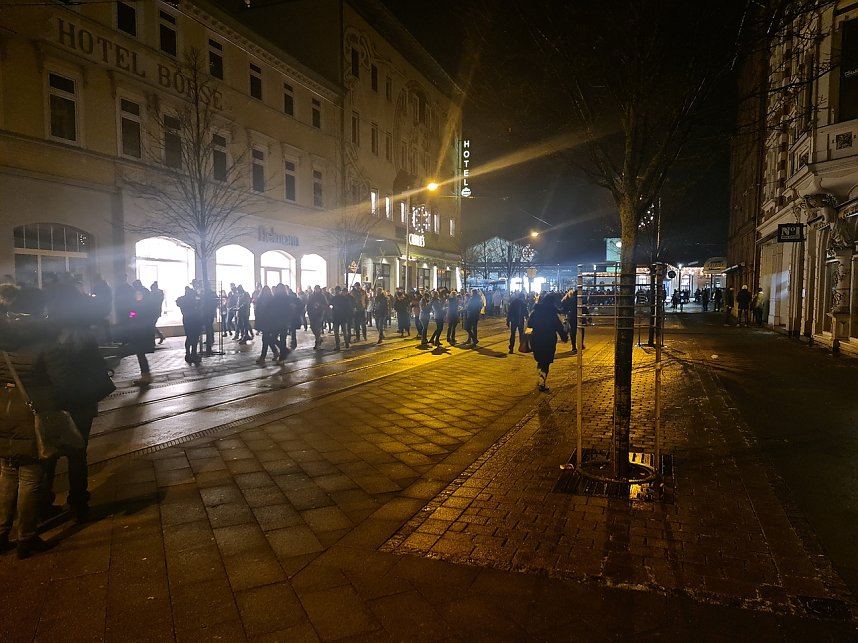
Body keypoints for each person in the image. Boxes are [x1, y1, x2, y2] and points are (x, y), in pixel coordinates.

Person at [527, 292, 569, 392]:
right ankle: (542, 381)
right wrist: (564, 337)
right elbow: (559, 327)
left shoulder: (535, 311)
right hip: (548, 340)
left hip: (536, 339)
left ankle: (540, 377)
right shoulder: (552, 314)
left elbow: (529, 324)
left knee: (540, 360)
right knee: (545, 362)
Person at [175, 286, 202, 364]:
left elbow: (178, 302)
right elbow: (199, 306)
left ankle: (188, 354)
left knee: (189, 337)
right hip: (195, 320)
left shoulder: (182, 300)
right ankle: (193, 353)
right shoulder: (193, 300)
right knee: (195, 337)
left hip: (187, 319)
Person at [253, 285, 278, 364]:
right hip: (269, 323)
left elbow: (259, 312)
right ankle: (275, 352)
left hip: (265, 323)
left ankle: (263, 357)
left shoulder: (260, 300)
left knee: (265, 340)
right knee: (268, 340)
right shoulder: (272, 300)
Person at [331, 286, 355, 350]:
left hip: (340, 317)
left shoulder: (340, 298)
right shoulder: (340, 298)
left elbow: (348, 308)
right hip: (339, 317)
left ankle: (343, 344)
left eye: (337, 290)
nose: (336, 292)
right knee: (340, 332)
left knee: (342, 331)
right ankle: (341, 344)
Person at [307, 285, 328, 350]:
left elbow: (326, 305)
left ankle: (317, 342)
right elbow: (308, 304)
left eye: (317, 289)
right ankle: (319, 339)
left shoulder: (322, 296)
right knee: (313, 328)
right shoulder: (311, 296)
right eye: (315, 289)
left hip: (319, 314)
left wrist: (320, 305)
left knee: (318, 328)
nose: (316, 290)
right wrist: (308, 312)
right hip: (312, 314)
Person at [560, 289, 578, 353]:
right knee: (577, 331)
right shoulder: (576, 300)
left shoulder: (566, 300)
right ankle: (577, 344)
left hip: (570, 317)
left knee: (572, 331)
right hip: (576, 316)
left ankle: (574, 346)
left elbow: (563, 309)